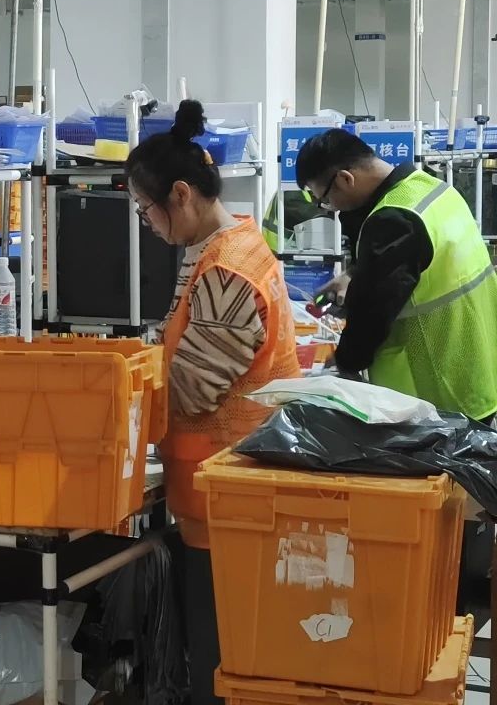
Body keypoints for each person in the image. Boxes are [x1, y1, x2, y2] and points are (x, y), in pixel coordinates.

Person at [126, 100, 300, 705]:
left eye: (145, 209)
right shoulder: (227, 245)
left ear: (181, 195)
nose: (146, 223)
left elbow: (194, 387)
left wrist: (114, 392)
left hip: (228, 491)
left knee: (221, 658)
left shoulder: (227, 271)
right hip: (221, 488)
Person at [294, 128, 497, 420]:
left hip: (436, 388)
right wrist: (355, 275)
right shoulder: (431, 189)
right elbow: (420, 261)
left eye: (324, 199)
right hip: (478, 364)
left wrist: (342, 365)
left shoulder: (394, 218)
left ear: (345, 179)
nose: (331, 208)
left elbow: (372, 315)